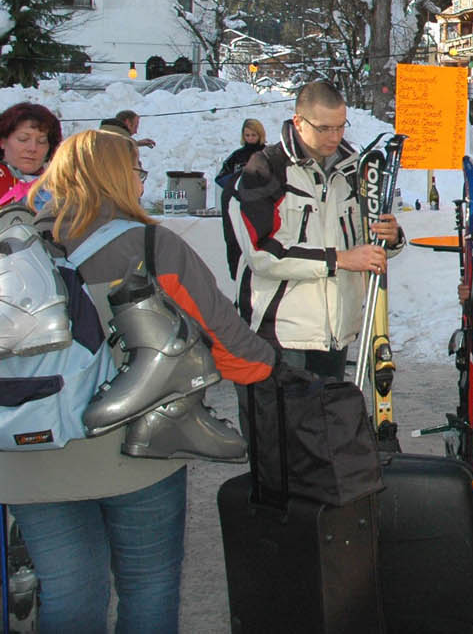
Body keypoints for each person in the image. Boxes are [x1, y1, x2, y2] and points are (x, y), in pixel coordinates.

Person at [2, 130, 273, 632]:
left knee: (68, 593)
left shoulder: (11, 247)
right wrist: (273, 365)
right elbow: (231, 347)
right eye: (135, 172)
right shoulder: (151, 245)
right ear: (116, 177)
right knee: (148, 584)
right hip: (136, 448)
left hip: (30, 449)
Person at [228, 81, 403, 379]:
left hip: (336, 332)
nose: (334, 137)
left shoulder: (353, 168)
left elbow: (364, 240)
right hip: (281, 331)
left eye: (340, 127)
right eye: (323, 128)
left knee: (329, 423)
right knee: (283, 425)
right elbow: (263, 253)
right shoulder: (264, 169)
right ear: (298, 121)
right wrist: (339, 259)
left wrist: (391, 237)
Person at [216, 119, 267, 280]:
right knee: (235, 241)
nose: (250, 138)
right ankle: (237, 275)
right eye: (247, 135)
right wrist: (238, 182)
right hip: (237, 204)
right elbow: (221, 177)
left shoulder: (267, 155)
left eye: (253, 135)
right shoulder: (236, 156)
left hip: (260, 204)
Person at [0, 101, 61, 207]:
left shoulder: (61, 190)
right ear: (2, 142)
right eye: (23, 139)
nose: (32, 148)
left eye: (41, 141)